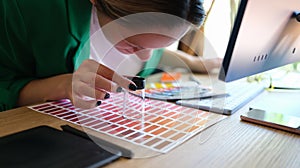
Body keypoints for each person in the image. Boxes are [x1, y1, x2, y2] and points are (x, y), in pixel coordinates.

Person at [0, 0, 211, 111]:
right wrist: (63, 85)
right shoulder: (24, 9)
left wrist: (195, 63)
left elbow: (151, 48)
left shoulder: (142, 32)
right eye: (133, 44)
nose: (147, 57)